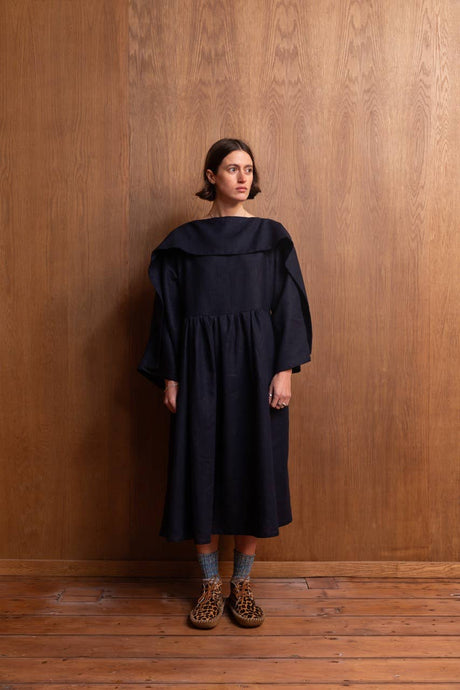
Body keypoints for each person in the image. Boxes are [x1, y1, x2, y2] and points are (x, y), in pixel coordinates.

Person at [137, 138, 312, 629]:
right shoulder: (183, 242)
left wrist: (284, 370)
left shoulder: (271, 236)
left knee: (255, 465)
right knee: (200, 467)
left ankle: (243, 585)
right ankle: (210, 586)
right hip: (199, 369)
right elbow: (169, 315)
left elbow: (289, 307)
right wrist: (171, 376)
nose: (242, 177)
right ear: (211, 176)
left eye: (249, 169)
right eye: (232, 168)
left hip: (258, 368)